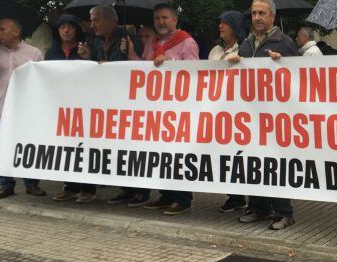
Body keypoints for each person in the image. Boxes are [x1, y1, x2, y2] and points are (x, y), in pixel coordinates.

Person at [232, 0, 299, 230]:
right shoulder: (247, 44)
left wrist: (281, 65)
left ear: (272, 16)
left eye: (262, 13)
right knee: (253, 162)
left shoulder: (285, 43)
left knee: (275, 164)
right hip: (251, 116)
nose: (257, 17)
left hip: (276, 116)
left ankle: (283, 212)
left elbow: (298, 77)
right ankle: (258, 208)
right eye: (254, 13)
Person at [80, 5, 150, 207]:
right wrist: (88, 58)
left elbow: (138, 69)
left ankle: (141, 191)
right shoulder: (96, 43)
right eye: (91, 20)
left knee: (134, 148)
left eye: (96, 20)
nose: (92, 24)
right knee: (118, 151)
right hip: (107, 106)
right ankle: (126, 189)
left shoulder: (128, 41)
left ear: (111, 21)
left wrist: (127, 55)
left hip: (129, 105)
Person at [132, 3, 199, 216]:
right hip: (155, 107)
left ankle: (182, 198)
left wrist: (170, 62)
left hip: (177, 108)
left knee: (177, 154)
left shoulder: (187, 42)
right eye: (157, 18)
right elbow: (143, 68)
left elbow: (194, 72)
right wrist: (132, 54)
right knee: (159, 154)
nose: (160, 22)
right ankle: (166, 194)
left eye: (164, 18)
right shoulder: (152, 43)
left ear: (174, 20)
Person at [0, 18, 46, 200]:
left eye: (2, 29)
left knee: (29, 146)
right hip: (1, 108)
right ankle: (5, 184)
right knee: (2, 147)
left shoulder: (34, 53)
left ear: (16, 32)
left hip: (26, 110)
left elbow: (42, 80)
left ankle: (32, 183)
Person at [45, 14, 99, 203]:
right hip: (60, 107)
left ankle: (88, 189)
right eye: (62, 27)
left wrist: (88, 58)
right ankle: (70, 186)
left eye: (70, 27)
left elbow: (99, 74)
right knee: (65, 148)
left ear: (77, 30)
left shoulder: (87, 49)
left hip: (85, 107)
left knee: (86, 147)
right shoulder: (51, 53)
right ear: (57, 31)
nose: (66, 31)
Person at [209, 10, 250, 213]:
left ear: (234, 26)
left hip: (238, 112)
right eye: (220, 23)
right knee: (224, 154)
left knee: (238, 155)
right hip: (218, 110)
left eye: (225, 23)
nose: (220, 26)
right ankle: (233, 195)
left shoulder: (244, 49)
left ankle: (240, 195)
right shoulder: (216, 51)